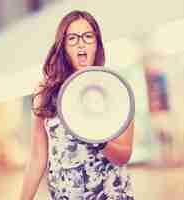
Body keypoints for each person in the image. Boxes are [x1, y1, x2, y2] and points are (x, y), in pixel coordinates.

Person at [20, 10, 135, 200]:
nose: (81, 43)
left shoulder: (114, 87)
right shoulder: (45, 91)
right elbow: (37, 157)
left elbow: (124, 155)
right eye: (72, 38)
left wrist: (99, 140)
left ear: (97, 44)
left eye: (88, 36)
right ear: (63, 46)